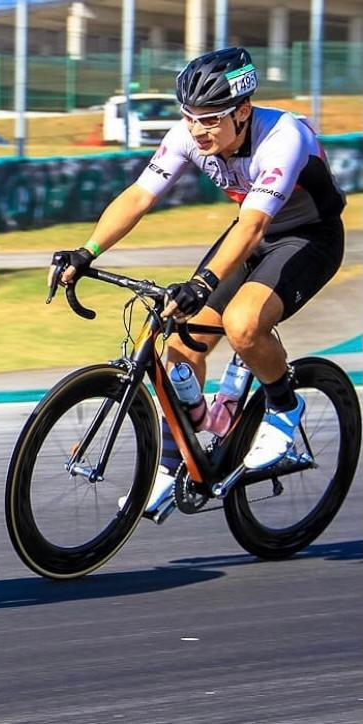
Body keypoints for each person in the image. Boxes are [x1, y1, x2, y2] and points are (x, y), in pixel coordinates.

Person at [49, 47, 345, 519]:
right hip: (250, 231)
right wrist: (87, 252)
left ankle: (284, 407)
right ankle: (171, 465)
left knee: (243, 323)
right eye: (189, 118)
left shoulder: (283, 136)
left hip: (308, 236)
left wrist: (203, 282)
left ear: (243, 111)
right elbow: (139, 197)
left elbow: (252, 227)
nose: (197, 130)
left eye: (210, 119)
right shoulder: (189, 135)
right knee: (181, 346)